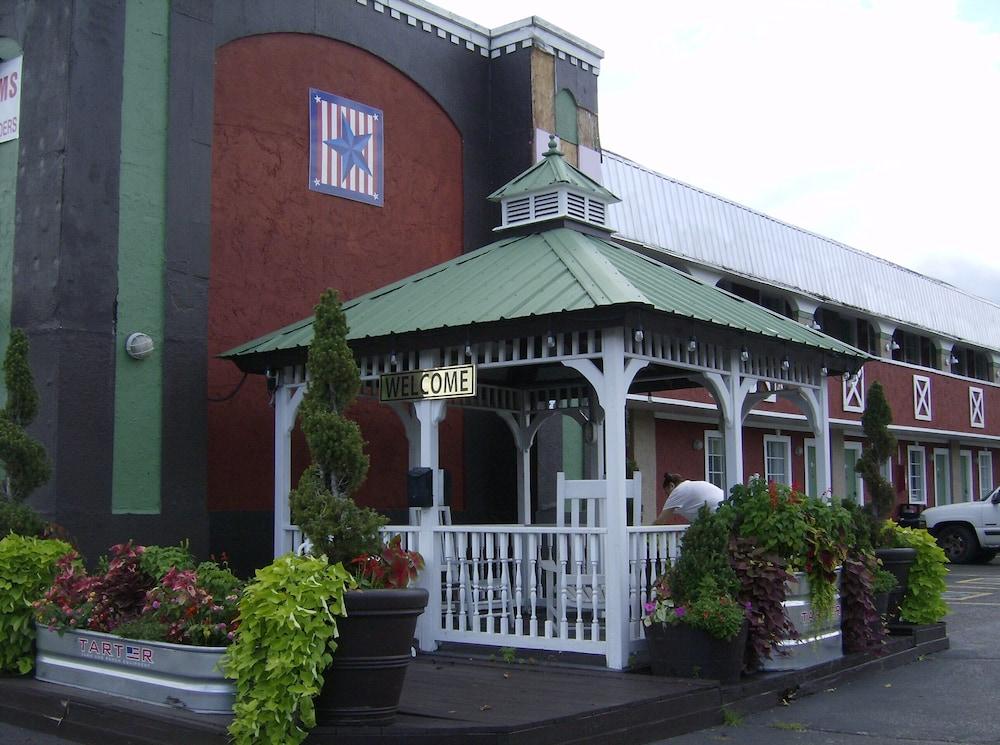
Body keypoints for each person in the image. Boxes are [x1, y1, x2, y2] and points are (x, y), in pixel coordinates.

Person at [653, 472, 724, 524]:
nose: (668, 496)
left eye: (667, 493)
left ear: (671, 486)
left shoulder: (678, 491)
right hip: (726, 511)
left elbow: (661, 520)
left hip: (716, 518)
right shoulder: (689, 486)